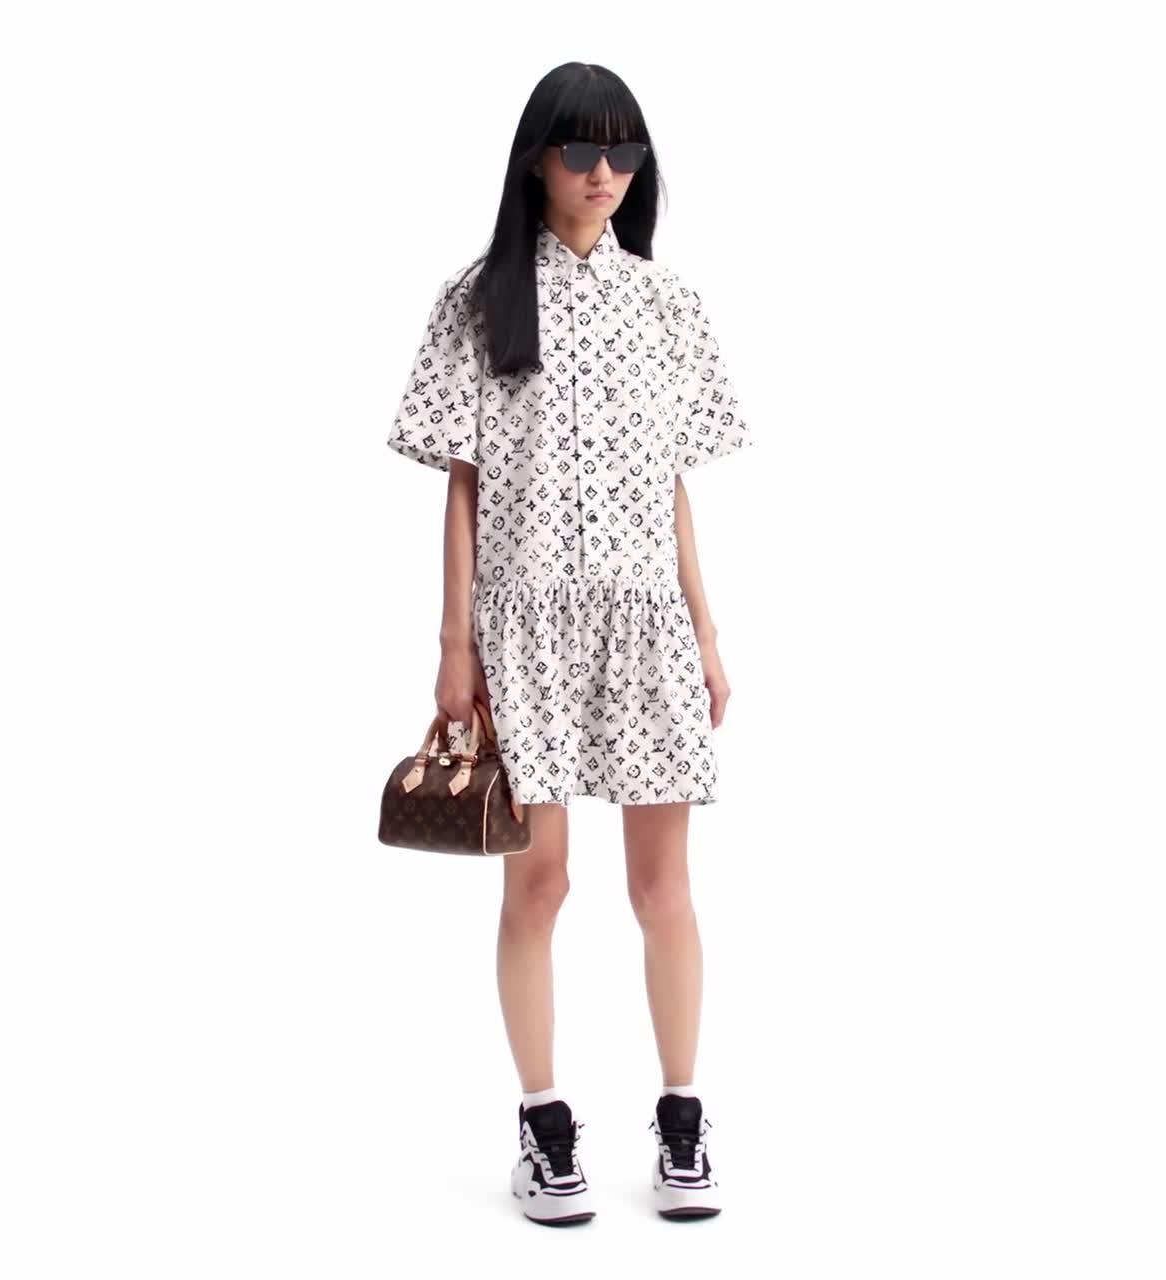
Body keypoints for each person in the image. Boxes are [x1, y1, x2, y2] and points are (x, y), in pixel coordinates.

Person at [387, 62, 752, 1225]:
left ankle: (682, 1119)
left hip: (644, 622)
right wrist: (454, 643)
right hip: (525, 626)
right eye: (580, 150)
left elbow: (673, 481)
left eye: (622, 152)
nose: (603, 173)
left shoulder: (666, 302)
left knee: (662, 885)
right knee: (539, 881)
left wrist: (704, 629)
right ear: (535, 159)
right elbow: (461, 483)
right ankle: (545, 1125)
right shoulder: (478, 298)